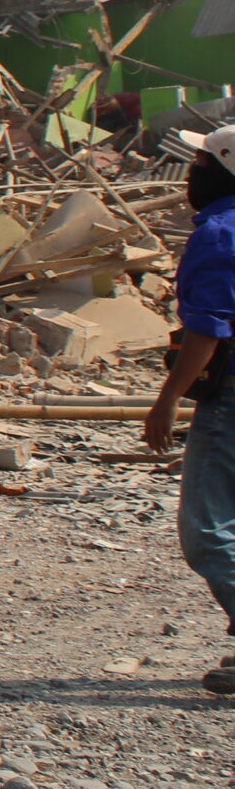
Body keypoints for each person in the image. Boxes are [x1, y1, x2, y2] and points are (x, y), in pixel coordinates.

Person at [143, 123, 235, 695]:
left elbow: (206, 331)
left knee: (206, 529)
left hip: (229, 401)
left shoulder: (220, 235)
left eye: (200, 163)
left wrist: (167, 400)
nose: (190, 173)